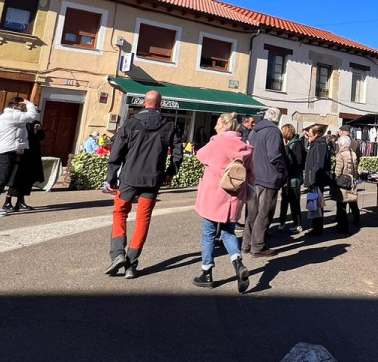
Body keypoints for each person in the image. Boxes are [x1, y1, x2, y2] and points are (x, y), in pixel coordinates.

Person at [104, 90, 185, 278]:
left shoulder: (131, 123)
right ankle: (131, 263)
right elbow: (178, 152)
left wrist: (111, 176)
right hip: (152, 179)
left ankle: (117, 254)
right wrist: (170, 172)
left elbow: (116, 152)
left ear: (144, 103)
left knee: (120, 212)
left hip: (129, 178)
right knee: (143, 218)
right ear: (160, 104)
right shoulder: (169, 125)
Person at [192, 112, 252, 292]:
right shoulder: (246, 146)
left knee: (208, 233)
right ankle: (237, 262)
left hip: (214, 193)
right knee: (228, 232)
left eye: (218, 124)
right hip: (234, 195)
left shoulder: (216, 142)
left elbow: (200, 155)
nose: (215, 127)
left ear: (225, 126)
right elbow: (252, 173)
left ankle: (207, 272)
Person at [0, 96, 38, 218]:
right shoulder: (12, 115)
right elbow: (32, 116)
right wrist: (29, 103)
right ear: (15, 106)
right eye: (21, 106)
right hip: (6, 151)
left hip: (4, 150)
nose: (23, 109)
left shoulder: (4, 117)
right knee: (1, 179)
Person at [244, 107, 287, 257]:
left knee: (252, 212)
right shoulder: (273, 131)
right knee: (264, 212)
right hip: (268, 177)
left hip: (254, 176)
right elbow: (275, 155)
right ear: (277, 118)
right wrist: (282, 171)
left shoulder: (254, 131)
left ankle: (247, 244)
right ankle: (257, 246)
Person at [302, 124, 342, 236]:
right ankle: (315, 226)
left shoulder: (320, 145)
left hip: (316, 179)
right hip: (313, 178)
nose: (308, 136)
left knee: (316, 203)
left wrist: (313, 179)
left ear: (316, 134)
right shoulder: (316, 143)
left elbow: (319, 164)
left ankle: (317, 228)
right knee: (313, 203)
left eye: (310, 134)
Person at [6, 118, 45, 212]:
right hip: (22, 154)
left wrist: (38, 130)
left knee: (27, 180)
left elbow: (41, 137)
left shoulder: (36, 123)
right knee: (16, 179)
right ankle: (7, 202)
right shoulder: (22, 122)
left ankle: (20, 202)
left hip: (33, 156)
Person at [277, 123, 304, 233]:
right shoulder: (289, 143)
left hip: (294, 178)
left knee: (294, 201)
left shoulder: (296, 144)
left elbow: (298, 161)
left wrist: (287, 149)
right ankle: (282, 222)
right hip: (287, 177)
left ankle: (298, 224)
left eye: (283, 131)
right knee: (284, 201)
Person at [333, 133, 362, 233]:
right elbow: (355, 167)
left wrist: (334, 179)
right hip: (351, 179)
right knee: (352, 200)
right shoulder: (352, 153)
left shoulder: (340, 155)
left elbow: (338, 170)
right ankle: (356, 218)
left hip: (343, 181)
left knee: (341, 204)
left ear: (341, 144)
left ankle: (343, 226)